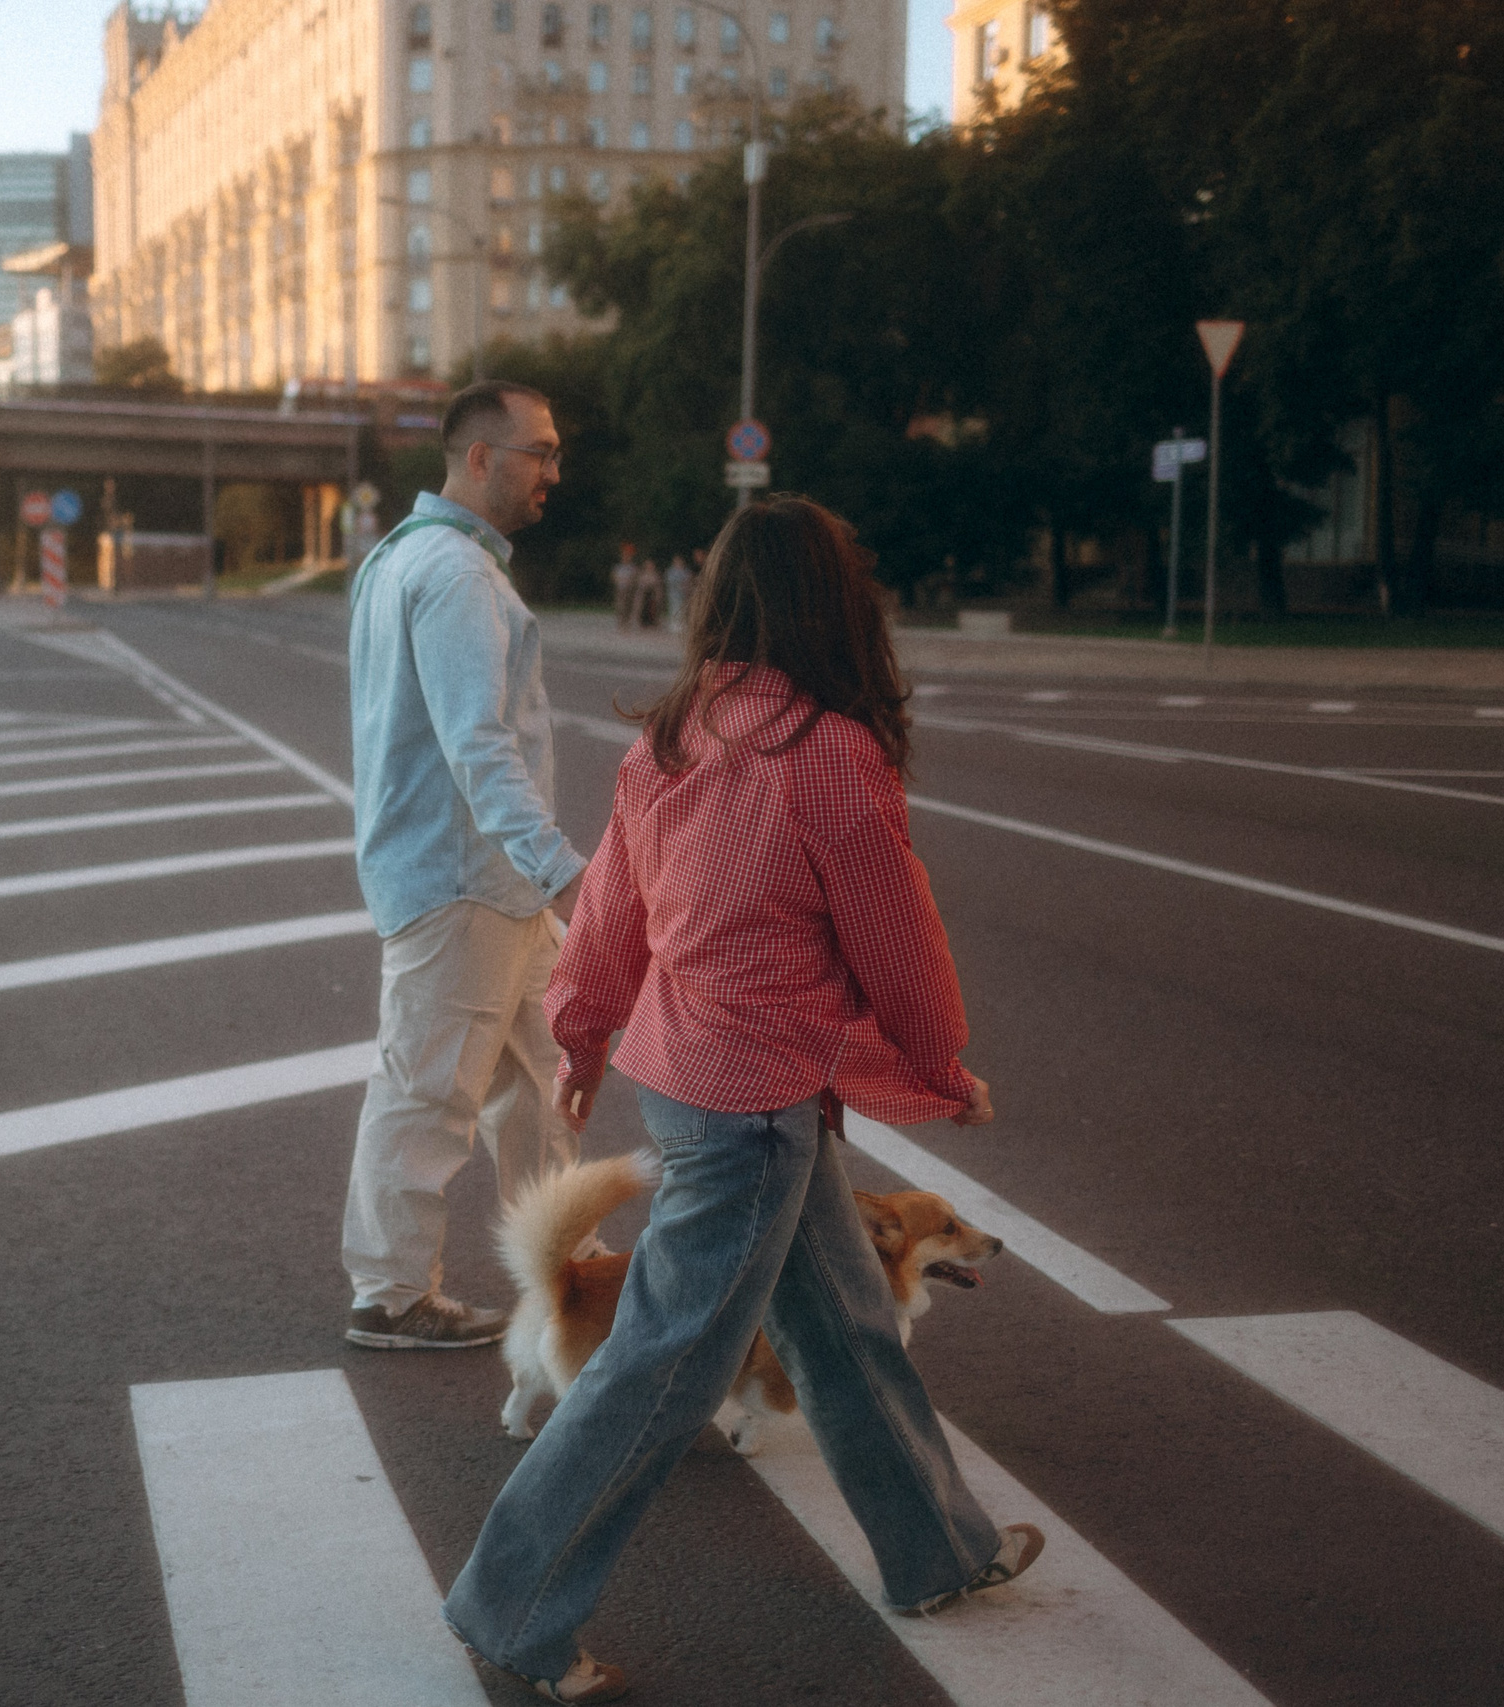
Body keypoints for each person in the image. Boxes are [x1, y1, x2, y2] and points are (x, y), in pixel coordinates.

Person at [441, 497, 1041, 1704]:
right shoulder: (827, 752)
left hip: (700, 1078)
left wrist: (583, 1028)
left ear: (717, 602)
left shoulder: (672, 738)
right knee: (660, 1369)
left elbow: (611, 909)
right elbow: (896, 938)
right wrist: (939, 1065)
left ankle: (937, 1551)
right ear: (839, 607)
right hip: (754, 1104)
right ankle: (510, 1609)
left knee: (846, 1326)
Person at [340, 379, 590, 1351]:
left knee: (542, 1081)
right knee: (429, 1090)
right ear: (481, 458)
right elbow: (477, 746)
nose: (553, 471)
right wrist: (561, 870)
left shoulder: (400, 557)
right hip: (462, 880)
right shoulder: (453, 575)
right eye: (540, 452)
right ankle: (390, 1292)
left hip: (485, 883)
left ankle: (563, 1265)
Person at [609, 543, 642, 630]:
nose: (626, 557)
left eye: (628, 556)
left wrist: (628, 581)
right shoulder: (617, 567)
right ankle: (621, 622)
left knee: (628, 605)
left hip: (630, 590)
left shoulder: (633, 567)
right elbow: (614, 577)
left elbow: (635, 578)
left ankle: (627, 622)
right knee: (620, 605)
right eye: (624, 556)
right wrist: (622, 580)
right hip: (620, 589)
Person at [662, 549, 695, 633]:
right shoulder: (670, 571)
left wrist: (685, 586)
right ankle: (674, 624)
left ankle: (682, 624)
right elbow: (669, 582)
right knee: (674, 608)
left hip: (684, 593)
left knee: (683, 608)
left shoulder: (686, 571)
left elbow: (689, 580)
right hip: (673, 593)